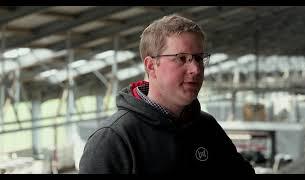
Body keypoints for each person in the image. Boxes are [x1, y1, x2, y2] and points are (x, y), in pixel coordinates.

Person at [79, 14, 255, 174]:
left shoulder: (206, 127)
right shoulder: (113, 140)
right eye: (181, 58)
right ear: (151, 66)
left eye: (199, 58)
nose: (195, 69)